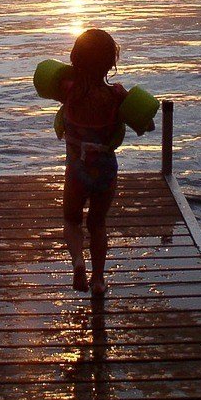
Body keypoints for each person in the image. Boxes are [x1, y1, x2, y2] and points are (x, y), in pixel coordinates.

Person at [60, 28, 127, 297]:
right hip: (105, 170)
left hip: (77, 170)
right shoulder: (118, 95)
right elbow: (147, 125)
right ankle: (98, 279)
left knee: (71, 220)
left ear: (75, 58)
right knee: (97, 224)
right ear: (111, 62)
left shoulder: (69, 91)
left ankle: (78, 263)